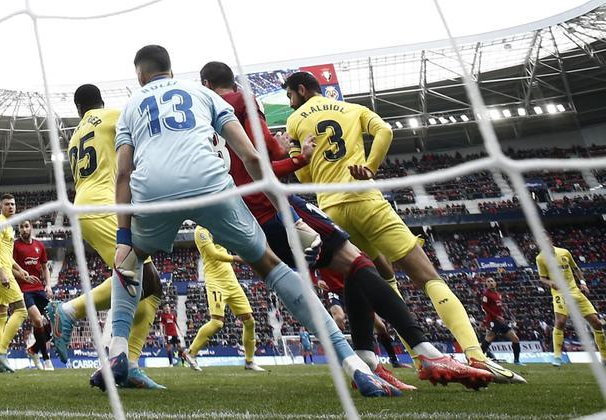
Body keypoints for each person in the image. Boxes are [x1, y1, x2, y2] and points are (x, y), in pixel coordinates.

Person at [93, 45, 399, 397]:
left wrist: (123, 237)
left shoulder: (131, 106)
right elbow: (252, 157)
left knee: (130, 259)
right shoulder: (202, 93)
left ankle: (118, 351)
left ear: (140, 75)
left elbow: (123, 174)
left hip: (153, 190)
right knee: (270, 263)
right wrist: (289, 216)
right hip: (210, 183)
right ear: (171, 70)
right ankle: (352, 363)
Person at [203, 62, 488, 389]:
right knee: (360, 264)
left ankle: (367, 361)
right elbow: (263, 156)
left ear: (206, 84)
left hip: (245, 213)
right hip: (275, 204)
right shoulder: (240, 101)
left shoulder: (203, 118)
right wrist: (298, 156)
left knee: (349, 272)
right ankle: (426, 353)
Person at [282, 70, 523, 384]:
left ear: (301, 90)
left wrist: (295, 153)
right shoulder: (352, 109)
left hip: (331, 209)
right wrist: (370, 166)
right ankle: (476, 355)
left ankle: (407, 358)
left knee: (372, 279)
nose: (289, 102)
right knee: (427, 276)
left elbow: (305, 178)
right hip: (365, 198)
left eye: (290, 95)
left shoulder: (294, 121)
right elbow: (385, 130)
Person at [47, 83, 165, 389]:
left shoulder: (76, 135)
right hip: (103, 206)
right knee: (146, 281)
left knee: (149, 292)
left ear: (78, 109)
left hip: (87, 206)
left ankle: (129, 364)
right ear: (101, 101)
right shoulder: (112, 116)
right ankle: (69, 310)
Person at [185, 226, 264, 372]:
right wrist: (238, 258)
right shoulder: (201, 231)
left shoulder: (216, 224)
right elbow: (214, 254)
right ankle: (191, 353)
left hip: (231, 281)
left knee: (249, 321)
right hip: (215, 281)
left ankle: (249, 361)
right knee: (217, 322)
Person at [536, 244, 605, 366]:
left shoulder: (564, 252)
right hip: (559, 292)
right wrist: (550, 283)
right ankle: (557, 357)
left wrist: (583, 283)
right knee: (560, 322)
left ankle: (604, 357)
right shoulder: (540, 258)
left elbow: (576, 268)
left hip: (575, 291)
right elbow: (542, 278)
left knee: (597, 323)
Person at [0, 194, 25, 373]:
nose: (11, 207)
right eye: (7, 204)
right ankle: (1, 352)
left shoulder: (8, 225)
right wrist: (2, 272)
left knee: (0, 316)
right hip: (0, 273)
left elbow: (6, 253)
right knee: (21, 311)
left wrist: (19, 269)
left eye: (13, 204)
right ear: (0, 206)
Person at [12, 220, 53, 370]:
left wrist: (48, 285)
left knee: (52, 326)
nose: (24, 229)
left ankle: (34, 350)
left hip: (39, 289)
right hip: (24, 290)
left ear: (31, 228)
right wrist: (24, 277)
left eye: (26, 226)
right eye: (21, 227)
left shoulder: (39, 246)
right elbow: (10, 267)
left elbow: (45, 267)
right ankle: (46, 359)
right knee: (38, 320)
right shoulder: (15, 246)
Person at [479, 276, 521, 365]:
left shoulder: (498, 294)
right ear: (486, 284)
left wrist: (501, 316)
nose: (490, 283)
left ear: (495, 283)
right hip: (492, 320)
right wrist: (495, 317)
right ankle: (478, 359)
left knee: (515, 339)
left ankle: (516, 361)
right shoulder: (486, 294)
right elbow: (484, 307)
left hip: (500, 320)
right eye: (488, 281)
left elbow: (498, 308)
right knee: (489, 339)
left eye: (491, 281)